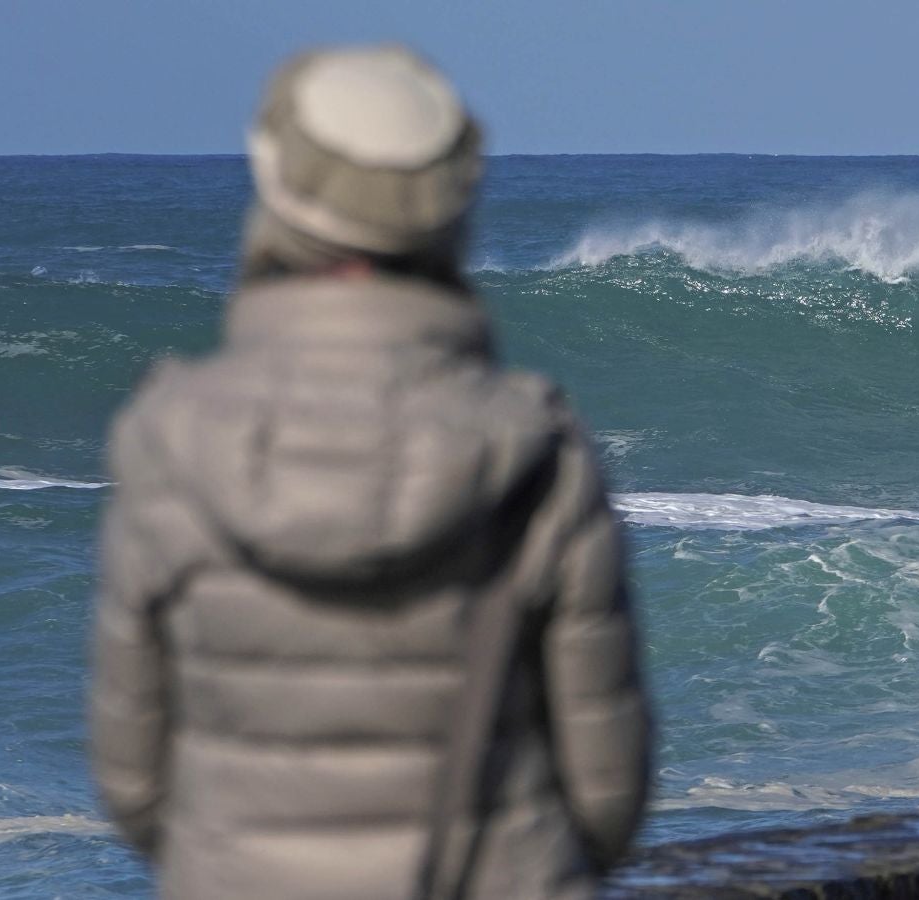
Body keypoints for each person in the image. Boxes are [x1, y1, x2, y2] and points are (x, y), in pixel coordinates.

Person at [88, 46, 652, 898]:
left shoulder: (166, 442)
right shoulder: (540, 451)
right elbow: (606, 796)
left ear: (276, 191)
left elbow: (133, 785)